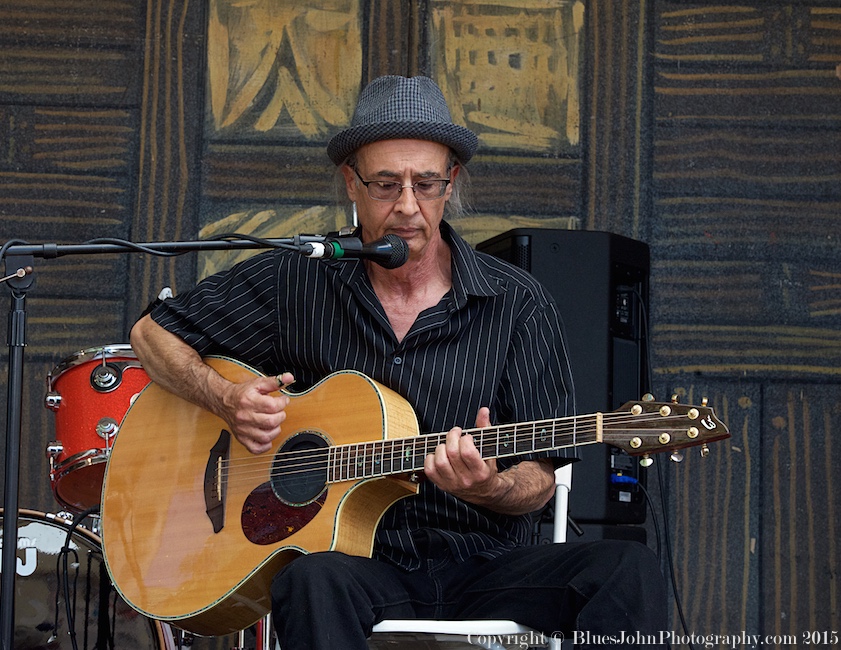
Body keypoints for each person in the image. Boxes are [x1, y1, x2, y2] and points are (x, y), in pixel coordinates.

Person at [130, 75, 667, 649]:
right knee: (310, 581)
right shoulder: (298, 280)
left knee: (626, 569)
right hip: (354, 564)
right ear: (352, 183)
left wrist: (489, 487)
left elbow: (538, 478)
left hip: (483, 565)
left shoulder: (517, 303)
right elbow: (152, 333)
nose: (407, 206)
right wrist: (225, 399)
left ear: (450, 182)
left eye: (426, 184)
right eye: (386, 184)